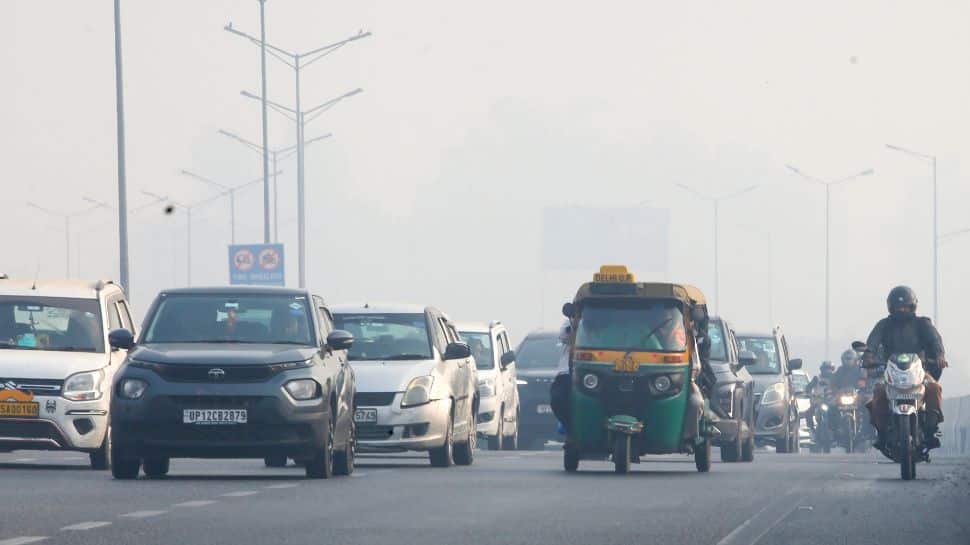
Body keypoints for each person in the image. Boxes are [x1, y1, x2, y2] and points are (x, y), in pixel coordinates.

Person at [862, 286, 946, 451]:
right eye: (898, 307)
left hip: (919, 370)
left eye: (905, 306)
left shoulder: (923, 324)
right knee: (878, 391)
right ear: (891, 307)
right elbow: (872, 343)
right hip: (891, 371)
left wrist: (939, 356)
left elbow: (935, 341)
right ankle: (882, 434)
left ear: (912, 306)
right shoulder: (883, 325)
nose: (902, 310)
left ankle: (930, 430)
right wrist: (868, 356)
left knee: (934, 388)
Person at [549, 319, 572, 432]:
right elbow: (563, 336)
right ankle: (569, 426)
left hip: (591, 372)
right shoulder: (571, 323)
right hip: (567, 373)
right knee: (557, 398)